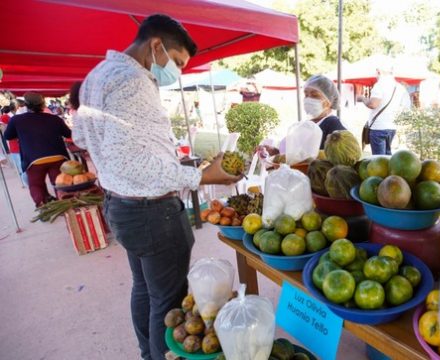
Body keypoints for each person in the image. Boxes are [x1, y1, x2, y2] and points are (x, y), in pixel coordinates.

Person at [73, 14, 242, 360]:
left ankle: (147, 353)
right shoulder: (133, 81)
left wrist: (180, 164)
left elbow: (85, 139)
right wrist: (204, 177)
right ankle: (158, 355)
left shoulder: (96, 76)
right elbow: (134, 164)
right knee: (166, 301)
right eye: (177, 62)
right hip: (152, 214)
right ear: (155, 46)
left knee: (145, 290)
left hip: (120, 205)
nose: (176, 72)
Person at [4, 92, 72, 206]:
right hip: (57, 157)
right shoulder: (54, 118)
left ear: (25, 105)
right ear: (43, 104)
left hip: (33, 160)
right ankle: (65, 204)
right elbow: (67, 133)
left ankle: (44, 206)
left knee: (36, 185)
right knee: (60, 183)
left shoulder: (17, 120)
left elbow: (8, 136)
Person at [259, 74, 346, 157]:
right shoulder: (308, 125)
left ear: (329, 101)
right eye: (306, 95)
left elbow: (336, 158)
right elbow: (297, 155)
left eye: (315, 95)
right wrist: (276, 152)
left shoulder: (334, 125)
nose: (308, 99)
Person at [357, 64, 411, 155]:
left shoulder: (380, 85)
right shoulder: (400, 87)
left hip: (378, 127)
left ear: (378, 71)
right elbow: (406, 107)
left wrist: (362, 98)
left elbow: (373, 104)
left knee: (379, 160)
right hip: (392, 127)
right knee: (388, 158)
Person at [0, 106, 27, 186]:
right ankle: (24, 180)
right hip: (16, 142)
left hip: (15, 143)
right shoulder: (7, 117)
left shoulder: (6, 117)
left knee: (20, 163)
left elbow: (4, 130)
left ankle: (24, 180)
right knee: (20, 162)